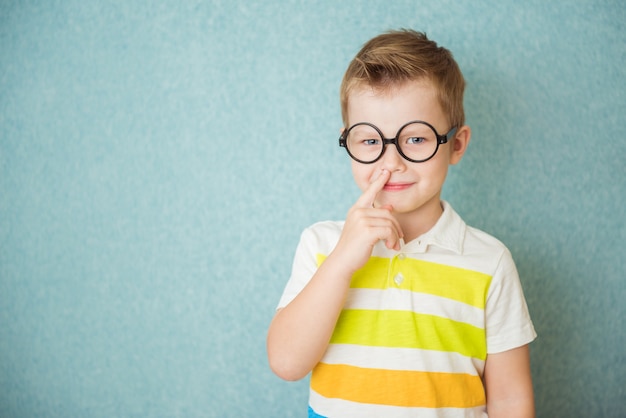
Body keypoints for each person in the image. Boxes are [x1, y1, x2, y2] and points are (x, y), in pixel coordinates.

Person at [267, 29, 537, 418]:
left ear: (456, 145)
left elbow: (511, 400)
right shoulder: (322, 245)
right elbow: (286, 362)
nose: (390, 162)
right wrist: (341, 262)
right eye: (370, 141)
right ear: (348, 143)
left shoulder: (490, 263)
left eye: (415, 139)